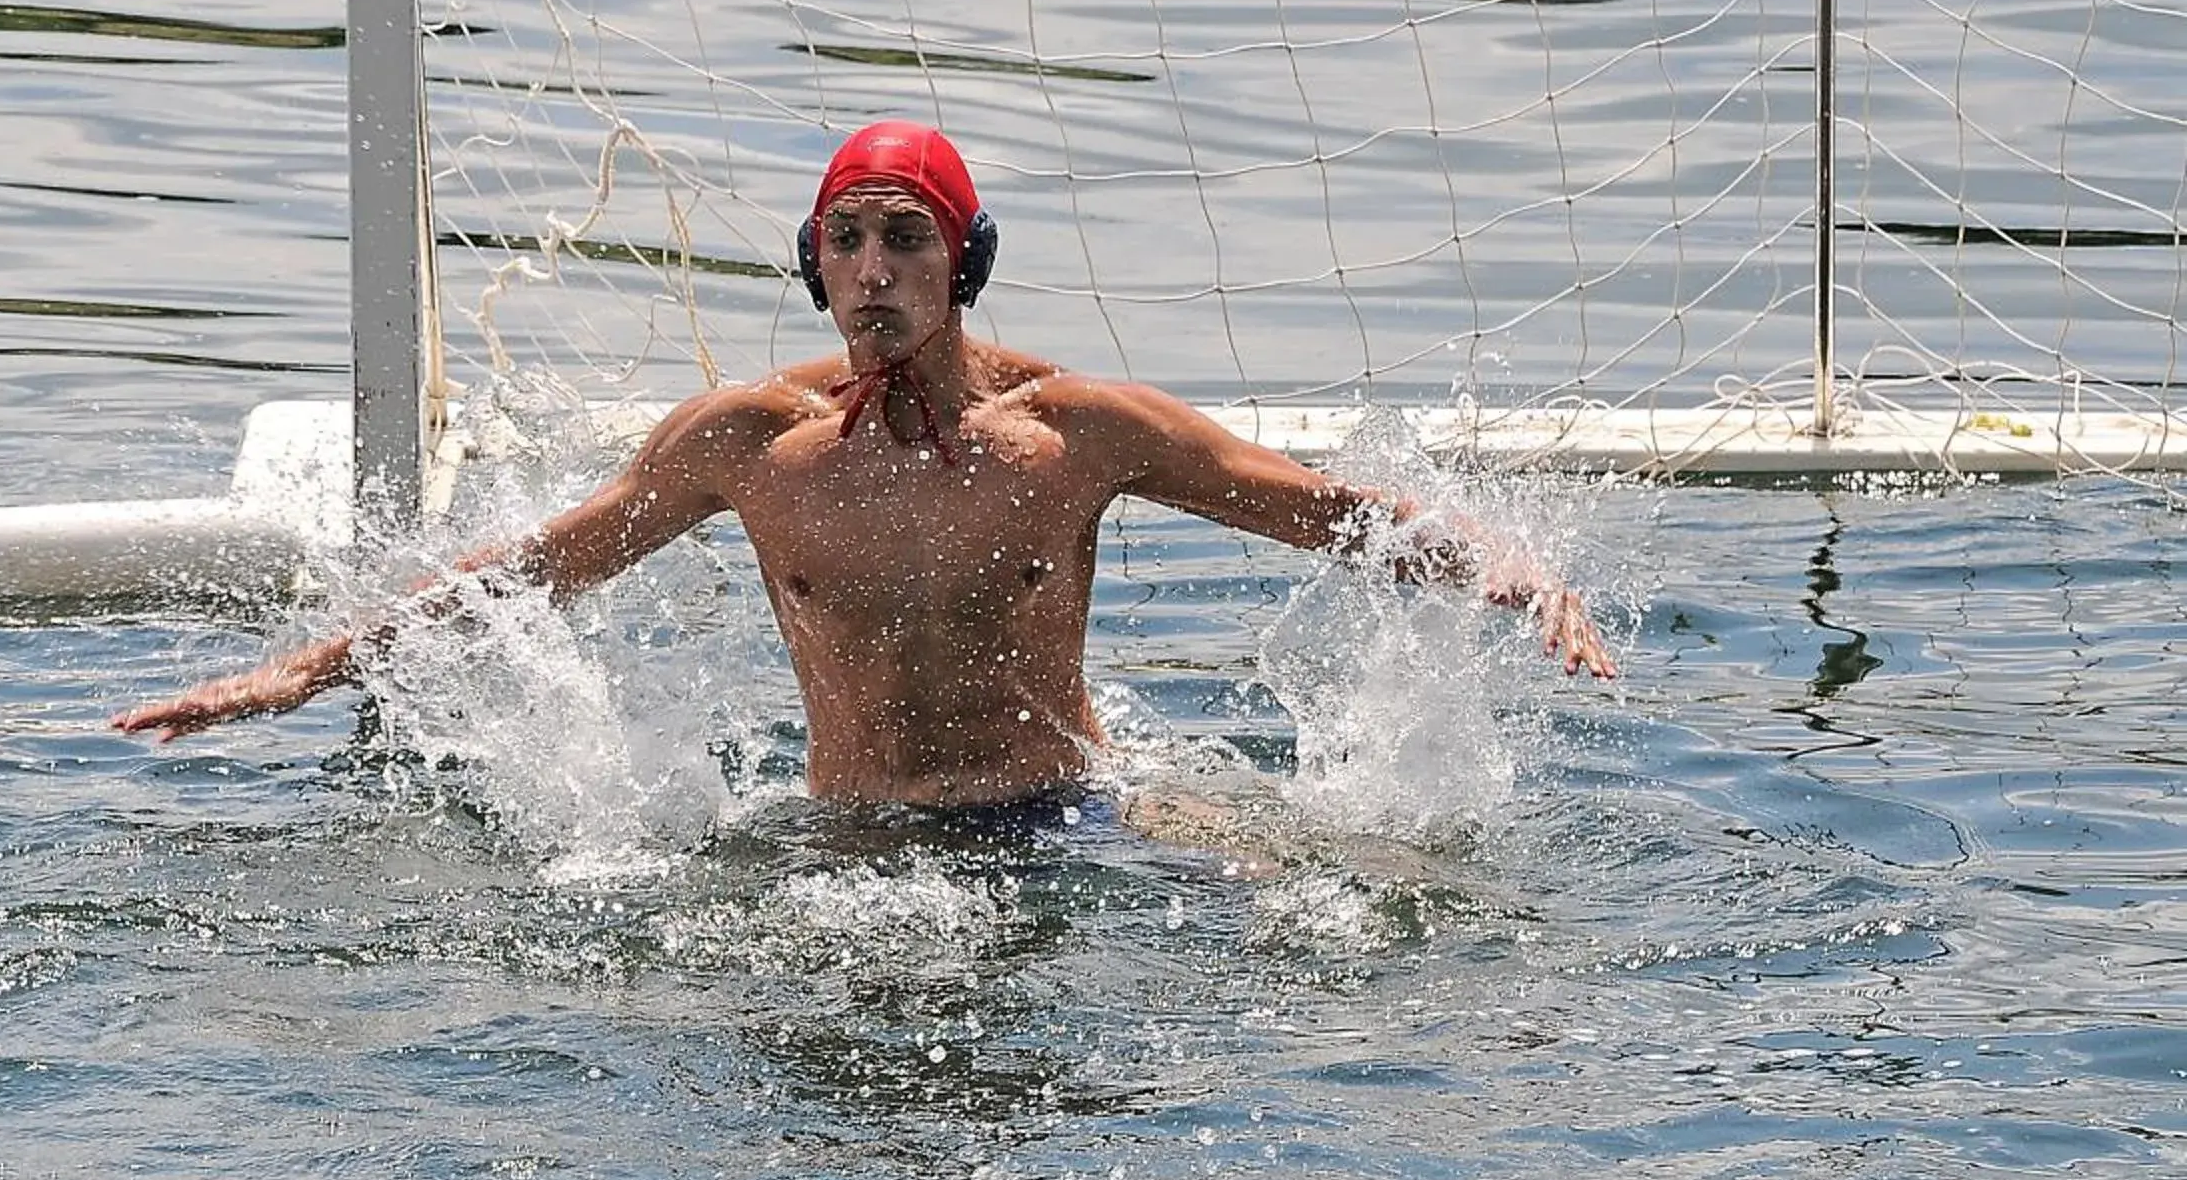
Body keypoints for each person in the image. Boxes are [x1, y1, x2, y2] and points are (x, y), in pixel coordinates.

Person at [111, 120, 1616, 810]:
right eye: (849, 237)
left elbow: (1326, 513)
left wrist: (1508, 562)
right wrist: (305, 670)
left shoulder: (1078, 435)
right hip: (849, 840)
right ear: (814, 265)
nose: (876, 267)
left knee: (1321, 916)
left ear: (964, 262)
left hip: (1063, 819)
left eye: (908, 237)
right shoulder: (746, 449)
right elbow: (536, 572)